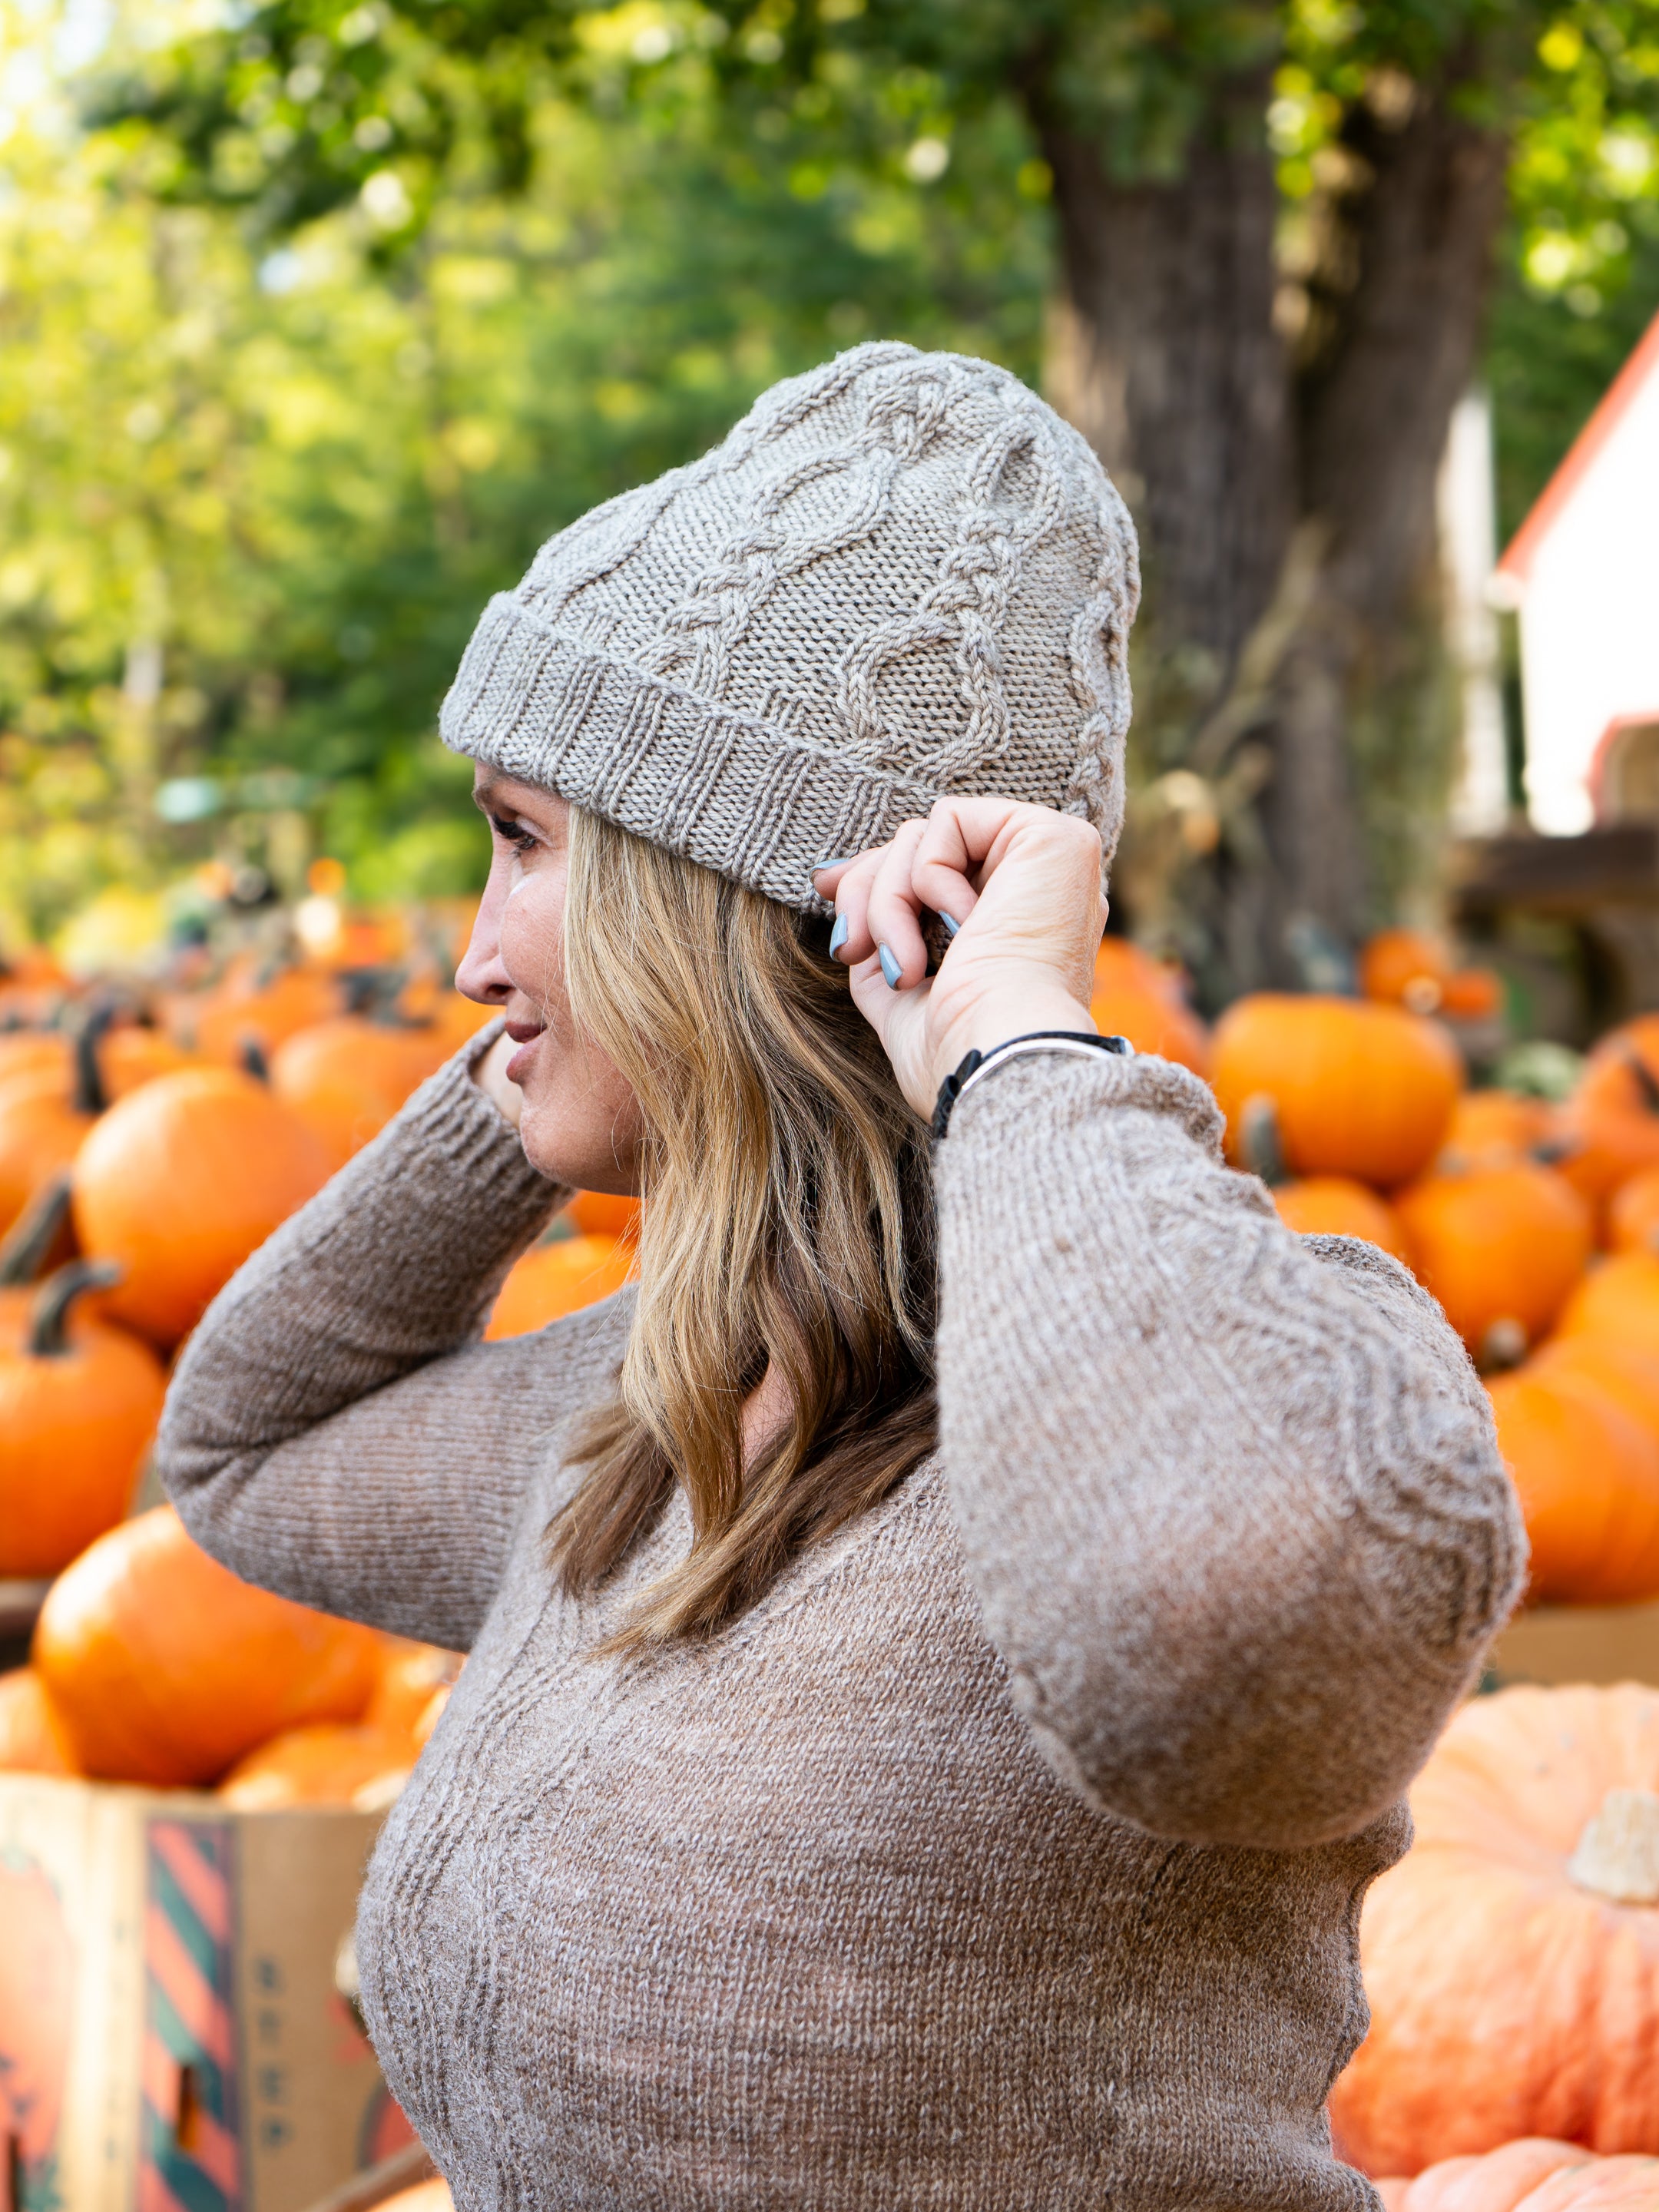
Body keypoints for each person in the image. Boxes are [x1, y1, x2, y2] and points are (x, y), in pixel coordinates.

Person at [157, 343, 1524, 2211]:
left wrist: (1016, 1055)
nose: (469, 955)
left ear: (730, 888)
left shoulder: (1268, 1369)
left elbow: (1223, 1634)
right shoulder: (662, 1404)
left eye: (523, 842)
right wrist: (538, 1072)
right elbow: (240, 1454)